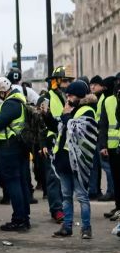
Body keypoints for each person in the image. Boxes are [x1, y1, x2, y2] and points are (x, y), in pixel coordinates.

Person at [49, 81, 98, 239]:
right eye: (67, 95)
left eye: (70, 95)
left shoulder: (87, 110)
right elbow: (60, 128)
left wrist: (66, 116)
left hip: (78, 162)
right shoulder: (70, 109)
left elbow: (77, 129)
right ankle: (67, 226)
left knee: (82, 196)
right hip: (64, 160)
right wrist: (46, 116)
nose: (67, 97)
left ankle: (86, 228)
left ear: (79, 96)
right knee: (66, 196)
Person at [0, 77, 32, 231]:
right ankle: (24, 218)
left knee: (14, 183)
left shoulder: (11, 104)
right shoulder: (17, 101)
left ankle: (19, 219)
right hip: (17, 146)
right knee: (21, 182)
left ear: (2, 92)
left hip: (9, 147)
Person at [40, 66, 74, 223]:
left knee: (65, 176)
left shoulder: (70, 98)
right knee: (53, 177)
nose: (68, 84)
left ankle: (64, 207)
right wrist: (43, 143)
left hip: (66, 142)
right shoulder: (47, 98)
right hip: (52, 141)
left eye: (70, 81)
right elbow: (41, 124)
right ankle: (57, 210)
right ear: (57, 81)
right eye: (65, 80)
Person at [89, 76, 115, 202]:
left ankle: (111, 191)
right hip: (98, 135)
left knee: (106, 166)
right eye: (91, 84)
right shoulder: (98, 98)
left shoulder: (105, 98)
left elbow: (103, 120)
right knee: (96, 165)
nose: (92, 87)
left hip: (104, 136)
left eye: (95, 84)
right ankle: (94, 190)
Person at [99, 77, 120, 220]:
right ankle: (118, 207)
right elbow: (103, 125)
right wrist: (103, 145)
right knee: (117, 179)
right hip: (113, 147)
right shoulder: (108, 101)